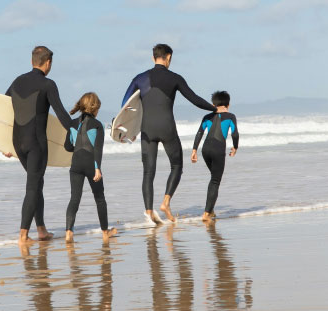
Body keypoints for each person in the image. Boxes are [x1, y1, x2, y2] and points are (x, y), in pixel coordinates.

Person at [121, 43, 216, 223]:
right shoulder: (175, 78)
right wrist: (214, 109)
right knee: (177, 166)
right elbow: (194, 99)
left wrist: (128, 129)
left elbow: (125, 104)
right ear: (169, 57)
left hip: (147, 129)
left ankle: (149, 213)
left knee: (148, 172)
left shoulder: (139, 78)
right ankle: (165, 202)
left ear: (153, 57)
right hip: (167, 128)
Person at [5, 46, 72, 242]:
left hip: (18, 143)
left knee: (37, 182)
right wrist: (79, 129)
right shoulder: (48, 84)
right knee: (33, 186)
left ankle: (41, 229)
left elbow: (2, 108)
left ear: (32, 60)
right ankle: (23, 234)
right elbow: (61, 115)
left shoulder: (17, 81)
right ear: (48, 62)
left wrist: (3, 144)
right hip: (36, 144)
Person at [64, 92, 117, 243]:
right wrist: (97, 168)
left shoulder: (72, 123)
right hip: (90, 164)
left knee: (74, 198)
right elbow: (98, 149)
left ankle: (69, 232)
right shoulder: (97, 125)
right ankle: (105, 232)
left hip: (75, 165)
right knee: (100, 198)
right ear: (95, 108)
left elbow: (68, 146)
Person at [190, 91, 239, 222]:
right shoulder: (230, 116)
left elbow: (199, 132)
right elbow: (235, 133)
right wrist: (235, 147)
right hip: (218, 150)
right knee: (215, 181)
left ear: (212, 104)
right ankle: (206, 214)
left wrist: (194, 150)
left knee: (214, 179)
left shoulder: (207, 117)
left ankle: (210, 210)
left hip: (205, 150)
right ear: (228, 104)